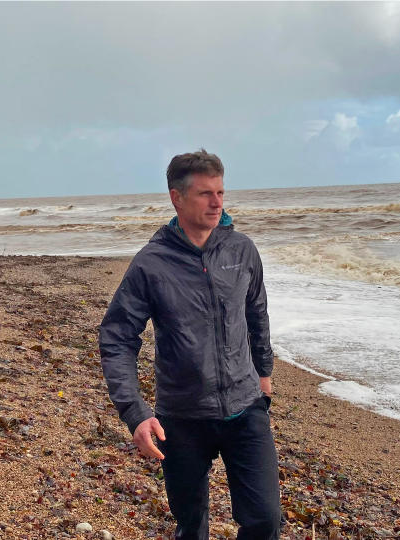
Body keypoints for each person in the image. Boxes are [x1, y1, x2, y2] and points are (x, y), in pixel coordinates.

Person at [99, 149, 281, 539]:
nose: (217, 203)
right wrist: (135, 412)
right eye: (205, 194)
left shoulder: (241, 250)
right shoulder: (151, 263)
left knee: (265, 521)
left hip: (245, 408)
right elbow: (117, 337)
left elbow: (257, 312)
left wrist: (263, 372)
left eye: (220, 192)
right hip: (181, 417)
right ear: (176, 197)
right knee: (191, 525)